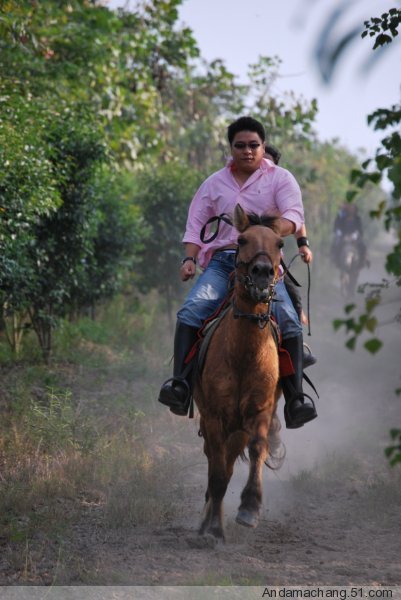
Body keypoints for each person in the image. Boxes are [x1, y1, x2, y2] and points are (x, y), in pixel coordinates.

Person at [158, 116, 317, 429]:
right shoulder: (214, 183)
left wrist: (270, 229)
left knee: (288, 320)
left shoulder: (281, 178)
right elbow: (195, 224)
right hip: (224, 261)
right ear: (230, 148)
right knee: (192, 310)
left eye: (254, 145)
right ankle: (180, 385)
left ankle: (296, 399)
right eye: (240, 145)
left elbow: (294, 215)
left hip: (265, 263)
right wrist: (188, 260)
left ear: (262, 146)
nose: (248, 151)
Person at [264, 144, 316, 368]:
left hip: (271, 259)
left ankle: (296, 350)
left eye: (267, 161)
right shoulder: (234, 184)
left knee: (292, 296)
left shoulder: (279, 187)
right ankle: (186, 371)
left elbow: (296, 217)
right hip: (236, 257)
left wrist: (303, 244)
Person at [331, 203, 367, 268]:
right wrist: (341, 235)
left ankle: (363, 261)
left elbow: (359, 230)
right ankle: (334, 259)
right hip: (344, 237)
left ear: (355, 210)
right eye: (350, 209)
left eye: (353, 209)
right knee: (336, 245)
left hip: (355, 238)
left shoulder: (357, 219)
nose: (351, 210)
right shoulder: (342, 218)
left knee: (362, 246)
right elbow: (338, 227)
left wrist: (355, 235)